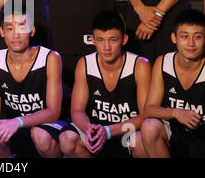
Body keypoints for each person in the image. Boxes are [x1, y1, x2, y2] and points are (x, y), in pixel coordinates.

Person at [59, 11, 152, 158]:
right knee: (67, 139)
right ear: (93, 40)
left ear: (124, 39)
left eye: (113, 40)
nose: (106, 47)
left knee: (141, 141)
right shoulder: (85, 64)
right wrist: (89, 129)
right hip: (97, 132)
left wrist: (108, 131)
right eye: (101, 40)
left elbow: (145, 115)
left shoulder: (140, 65)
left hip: (126, 132)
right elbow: (77, 110)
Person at [0, 8, 65, 158]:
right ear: (2, 32)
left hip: (44, 125)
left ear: (32, 31)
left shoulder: (50, 58)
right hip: (12, 125)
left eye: (22, 27)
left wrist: (18, 122)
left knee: (41, 135)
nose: (15, 34)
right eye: (10, 28)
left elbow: (54, 112)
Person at [141, 9, 205, 158]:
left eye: (198, 37)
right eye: (184, 36)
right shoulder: (163, 62)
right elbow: (148, 110)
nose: (191, 43)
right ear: (174, 38)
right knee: (149, 128)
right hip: (175, 133)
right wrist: (176, 113)